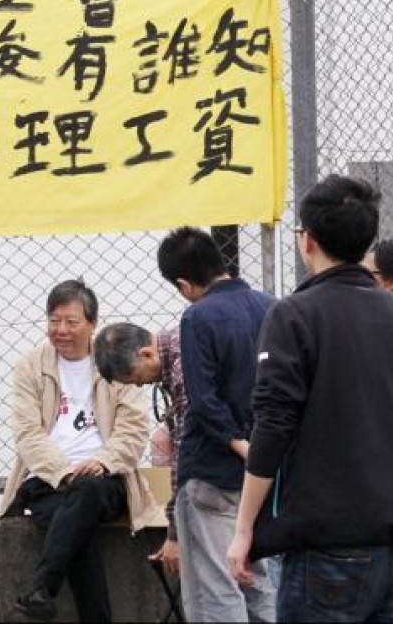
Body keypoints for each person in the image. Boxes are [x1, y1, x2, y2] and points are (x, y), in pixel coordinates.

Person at [228, 175, 393, 622]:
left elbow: (273, 423)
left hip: (330, 545)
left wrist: (245, 525)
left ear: (307, 240)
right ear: (368, 239)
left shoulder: (293, 315)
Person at [0, 280, 155, 622]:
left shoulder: (113, 362)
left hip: (105, 478)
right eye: (54, 321)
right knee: (74, 526)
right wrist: (64, 472)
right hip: (48, 479)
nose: (61, 330)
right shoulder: (31, 365)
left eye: (71, 322)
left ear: (93, 324)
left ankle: (42, 590)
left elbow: (134, 430)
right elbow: (27, 433)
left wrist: (101, 461)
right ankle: (46, 600)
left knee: (85, 492)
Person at [156, 226, 276, 622]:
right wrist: (261, 452)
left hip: (212, 468)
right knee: (257, 580)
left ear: (184, 283)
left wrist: (239, 444)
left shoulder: (198, 316)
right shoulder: (270, 307)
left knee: (215, 589)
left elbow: (203, 401)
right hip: (265, 473)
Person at [95, 322, 185, 578]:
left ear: (146, 353)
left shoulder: (183, 366)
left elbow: (187, 450)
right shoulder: (181, 345)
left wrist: (175, 534)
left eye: (136, 378)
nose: (139, 386)